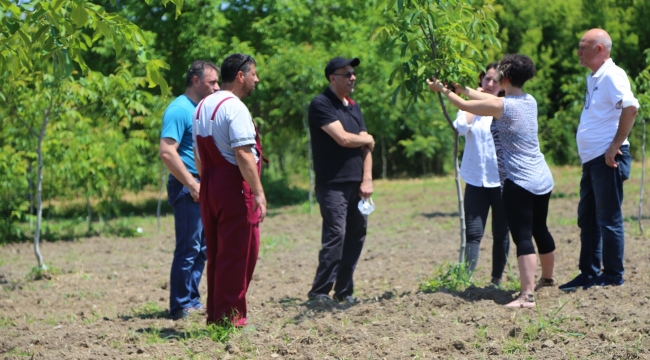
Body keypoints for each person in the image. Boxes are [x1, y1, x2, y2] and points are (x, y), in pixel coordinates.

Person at [427, 54, 556, 308]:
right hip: (542, 177)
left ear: (506, 79)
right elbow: (486, 98)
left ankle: (526, 296)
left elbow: (465, 107)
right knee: (540, 229)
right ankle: (548, 280)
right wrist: (463, 89)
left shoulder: (503, 107)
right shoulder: (529, 101)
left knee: (522, 236)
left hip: (518, 180)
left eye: (498, 76)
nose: (494, 79)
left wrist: (442, 90)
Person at [559, 29, 639, 291]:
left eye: (583, 47)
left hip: (607, 159)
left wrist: (614, 145)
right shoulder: (594, 77)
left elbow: (631, 107)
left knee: (608, 218)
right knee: (588, 217)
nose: (579, 52)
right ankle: (590, 273)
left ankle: (613, 275)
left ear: (600, 49)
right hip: (592, 159)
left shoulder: (613, 75)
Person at [192, 54, 264, 326]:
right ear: (241, 75)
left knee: (218, 254)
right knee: (238, 254)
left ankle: (216, 315)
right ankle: (231, 319)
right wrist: (258, 192)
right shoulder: (235, 108)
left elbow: (198, 155)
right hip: (233, 186)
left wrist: (208, 186)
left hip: (210, 183)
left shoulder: (201, 107)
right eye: (254, 73)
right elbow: (244, 154)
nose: (257, 79)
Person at [307, 57, 375, 304]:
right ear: (332, 77)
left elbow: (368, 147)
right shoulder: (321, 103)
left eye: (353, 73)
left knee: (356, 236)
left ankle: (344, 292)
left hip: (358, 185)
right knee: (336, 235)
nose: (353, 77)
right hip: (332, 184)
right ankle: (319, 292)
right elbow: (344, 139)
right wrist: (366, 139)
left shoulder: (354, 107)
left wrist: (367, 179)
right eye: (347, 74)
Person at [159, 60, 220, 320]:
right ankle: (180, 304)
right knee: (188, 248)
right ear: (196, 81)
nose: (217, 87)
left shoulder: (200, 109)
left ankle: (191, 300)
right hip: (187, 187)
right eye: (212, 82)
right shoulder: (179, 110)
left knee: (203, 249)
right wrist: (192, 184)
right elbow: (167, 152)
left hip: (201, 185)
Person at [453, 63, 509, 286]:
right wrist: (472, 104)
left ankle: (496, 280)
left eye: (496, 80)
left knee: (501, 233)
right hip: (476, 179)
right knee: (473, 234)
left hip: (503, 181)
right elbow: (460, 127)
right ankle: (466, 280)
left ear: (503, 86)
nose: (490, 84)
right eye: (487, 79)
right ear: (480, 81)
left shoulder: (506, 107)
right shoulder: (469, 107)